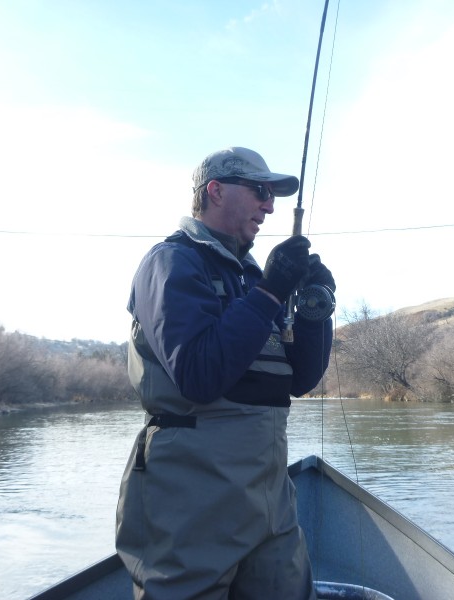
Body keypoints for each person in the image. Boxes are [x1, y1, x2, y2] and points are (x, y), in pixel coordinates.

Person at [116, 147, 335, 600]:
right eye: (259, 191)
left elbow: (298, 381)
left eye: (273, 195)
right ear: (215, 191)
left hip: (270, 495)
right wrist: (273, 290)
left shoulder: (252, 278)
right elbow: (199, 374)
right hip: (190, 498)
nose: (270, 205)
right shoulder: (171, 263)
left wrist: (315, 307)